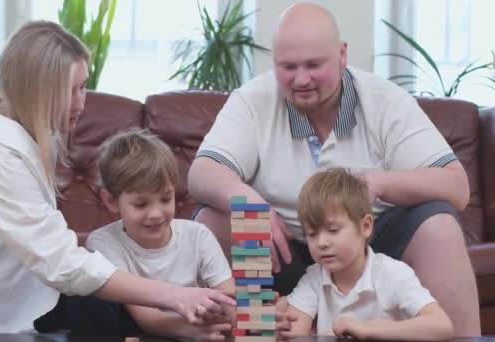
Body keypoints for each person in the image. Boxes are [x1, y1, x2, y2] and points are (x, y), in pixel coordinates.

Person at [0, 20, 235, 342]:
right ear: (35, 90)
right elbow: (62, 263)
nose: (80, 103)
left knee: (100, 303)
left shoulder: (35, 135)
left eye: (83, 87)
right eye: (70, 90)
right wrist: (178, 295)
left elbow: (60, 259)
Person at [187, 2, 480, 336]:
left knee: (439, 225)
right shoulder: (252, 100)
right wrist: (251, 203)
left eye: (314, 65)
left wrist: (377, 183)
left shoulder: (386, 100)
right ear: (274, 62)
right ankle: (251, 331)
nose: (301, 79)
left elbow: (456, 187)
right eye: (288, 67)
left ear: (342, 55)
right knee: (218, 218)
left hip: (372, 251)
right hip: (282, 251)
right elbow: (201, 173)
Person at [61, 129, 233, 340]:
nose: (155, 214)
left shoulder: (197, 235)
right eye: (141, 204)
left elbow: (229, 297)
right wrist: (193, 329)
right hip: (146, 332)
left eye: (166, 199)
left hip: (198, 330)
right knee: (82, 297)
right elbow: (147, 319)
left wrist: (255, 325)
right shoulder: (103, 242)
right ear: (111, 201)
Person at [274, 168, 453, 340]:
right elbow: (296, 333)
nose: (321, 243)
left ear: (365, 226)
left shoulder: (392, 273)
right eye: (312, 234)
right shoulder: (314, 279)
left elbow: (441, 325)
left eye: (333, 230)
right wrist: (276, 323)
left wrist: (369, 329)